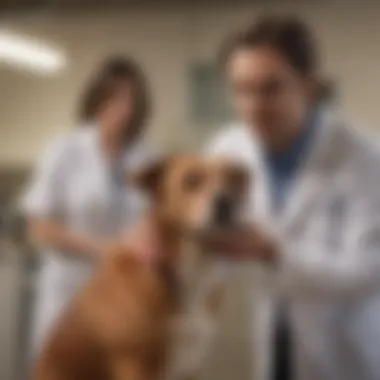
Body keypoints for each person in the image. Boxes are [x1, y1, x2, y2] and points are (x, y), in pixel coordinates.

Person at [126, 15, 380, 380]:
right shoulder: (228, 149)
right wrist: (164, 237)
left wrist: (272, 252)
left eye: (270, 88)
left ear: (307, 87)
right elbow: (208, 233)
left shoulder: (364, 159)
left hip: (342, 350)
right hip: (267, 336)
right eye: (241, 89)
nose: (253, 106)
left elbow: (367, 273)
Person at [22, 56, 155, 356]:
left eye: (132, 100)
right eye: (115, 98)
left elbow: (154, 221)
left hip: (123, 297)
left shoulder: (145, 157)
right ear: (96, 98)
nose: (125, 109)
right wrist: (101, 249)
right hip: (67, 293)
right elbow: (39, 226)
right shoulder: (65, 150)